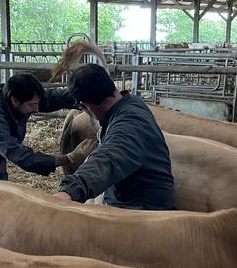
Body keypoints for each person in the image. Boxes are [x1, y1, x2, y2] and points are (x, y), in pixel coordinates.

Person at [54, 64, 175, 210]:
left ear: (87, 106)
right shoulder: (130, 103)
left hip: (141, 212)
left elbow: (108, 159)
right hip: (130, 197)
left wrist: (70, 190)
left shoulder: (128, 125)